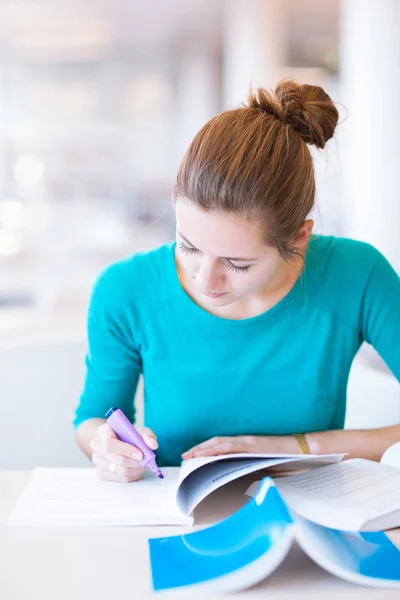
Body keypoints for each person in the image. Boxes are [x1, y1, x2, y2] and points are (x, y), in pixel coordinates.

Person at [74, 80, 400, 484]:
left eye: (237, 264)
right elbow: (92, 419)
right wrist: (106, 448)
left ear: (299, 238)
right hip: (175, 514)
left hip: (317, 515)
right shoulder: (125, 290)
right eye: (188, 246)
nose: (205, 280)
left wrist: (295, 447)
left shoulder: (357, 274)